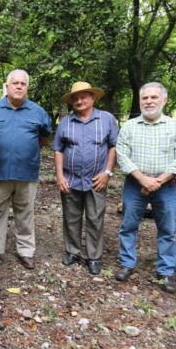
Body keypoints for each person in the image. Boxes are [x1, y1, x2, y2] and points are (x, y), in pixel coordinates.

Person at [0, 69, 52, 269]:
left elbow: (43, 138)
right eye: (14, 83)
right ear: (7, 86)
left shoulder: (38, 112)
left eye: (22, 84)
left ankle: (26, 252)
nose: (18, 86)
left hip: (27, 172)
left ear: (27, 88)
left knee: (25, 213)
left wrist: (26, 151)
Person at [114, 82, 176, 293]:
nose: (148, 101)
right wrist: (143, 179)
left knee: (167, 229)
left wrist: (158, 181)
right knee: (128, 226)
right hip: (134, 185)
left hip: (166, 186)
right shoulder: (129, 126)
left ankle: (165, 271)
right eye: (145, 98)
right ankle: (127, 264)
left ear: (164, 100)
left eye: (153, 97)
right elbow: (122, 155)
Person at [54, 82, 118, 275]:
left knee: (95, 218)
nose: (79, 101)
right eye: (75, 98)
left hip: (96, 180)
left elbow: (113, 146)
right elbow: (58, 149)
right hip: (70, 179)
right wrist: (59, 175)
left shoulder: (106, 119)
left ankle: (94, 257)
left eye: (83, 97)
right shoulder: (66, 122)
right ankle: (72, 251)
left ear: (92, 98)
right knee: (71, 217)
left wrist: (107, 172)